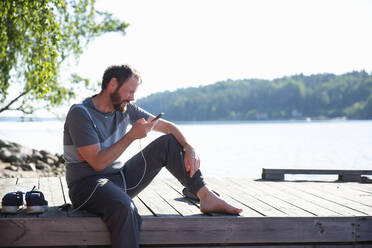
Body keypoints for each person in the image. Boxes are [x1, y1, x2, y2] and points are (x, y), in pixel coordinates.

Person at [63, 64, 242, 248]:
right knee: (125, 208)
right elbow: (97, 163)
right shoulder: (80, 113)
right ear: (112, 84)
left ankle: (205, 196)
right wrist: (132, 135)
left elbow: (169, 128)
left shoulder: (126, 109)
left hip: (118, 180)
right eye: (129, 91)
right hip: (87, 186)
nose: (132, 97)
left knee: (169, 143)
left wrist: (189, 147)